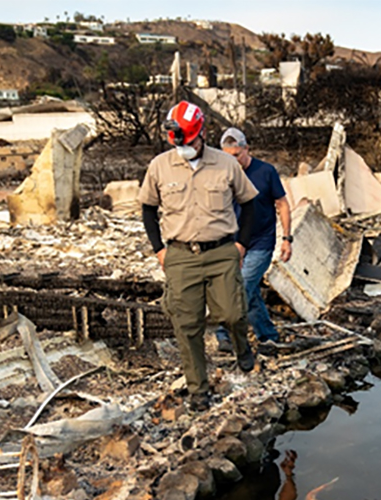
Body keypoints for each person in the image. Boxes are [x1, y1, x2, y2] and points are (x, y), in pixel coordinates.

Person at [137, 101, 259, 412]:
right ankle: (199, 390)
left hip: (221, 252)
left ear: (201, 133)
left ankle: (242, 349)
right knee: (187, 325)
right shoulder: (160, 166)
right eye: (178, 142)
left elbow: (250, 204)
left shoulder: (226, 164)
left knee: (232, 313)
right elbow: (148, 209)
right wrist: (159, 249)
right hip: (179, 255)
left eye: (189, 141)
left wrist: (241, 245)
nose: (183, 148)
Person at [213, 127, 292, 351]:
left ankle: (224, 332)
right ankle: (268, 335)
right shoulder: (221, 174)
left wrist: (287, 238)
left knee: (243, 285)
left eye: (237, 155)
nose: (234, 161)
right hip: (231, 241)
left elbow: (282, 204)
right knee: (250, 292)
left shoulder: (265, 172)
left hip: (260, 242)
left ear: (247, 149)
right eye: (228, 156)